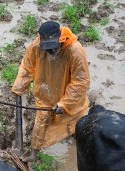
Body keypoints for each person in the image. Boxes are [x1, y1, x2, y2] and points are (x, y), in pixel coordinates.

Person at [11, 21, 90, 162]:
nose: (50, 51)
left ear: (60, 39)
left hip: (68, 96)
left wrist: (65, 104)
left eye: (53, 48)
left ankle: (75, 142)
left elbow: (80, 82)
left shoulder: (75, 51)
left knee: (75, 120)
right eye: (46, 48)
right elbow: (26, 67)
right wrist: (18, 87)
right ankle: (34, 153)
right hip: (46, 92)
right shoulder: (36, 46)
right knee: (41, 122)